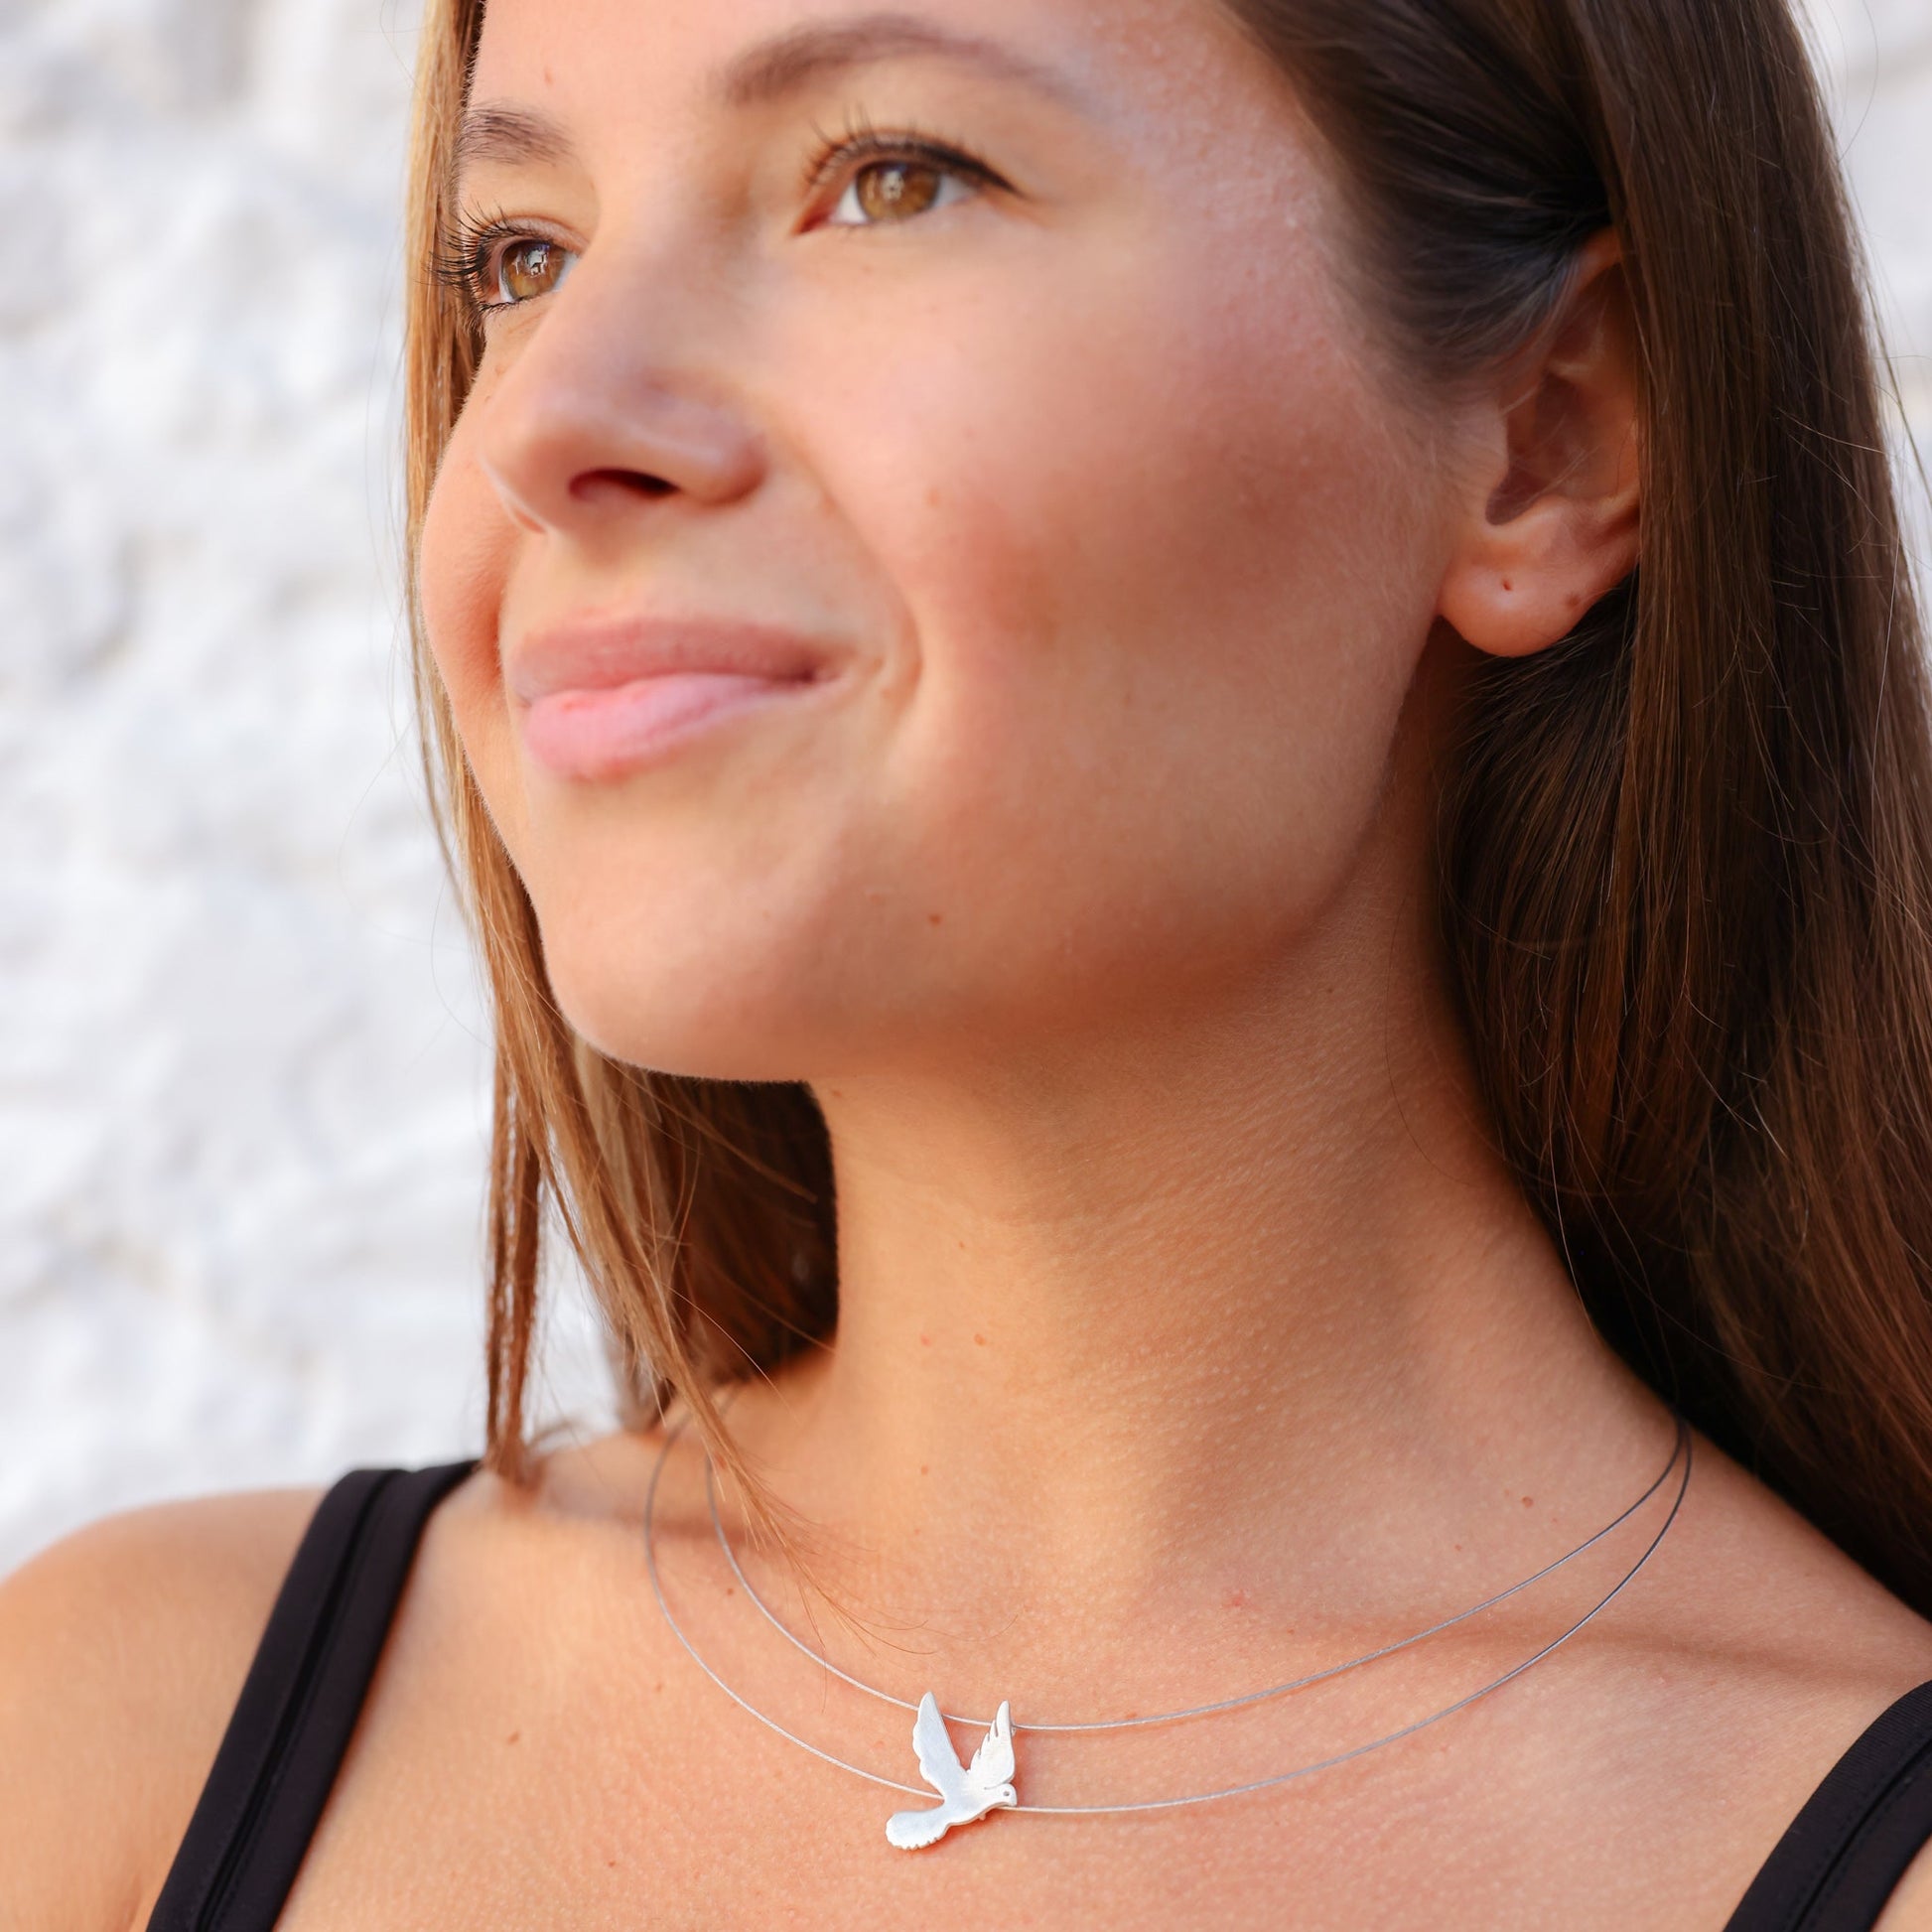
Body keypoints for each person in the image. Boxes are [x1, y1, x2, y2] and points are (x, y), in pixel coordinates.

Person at [7, 0, 1932, 1923]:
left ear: (1545, 439)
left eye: (891, 178)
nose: (546, 424)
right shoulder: (117, 1746)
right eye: (521, 253)